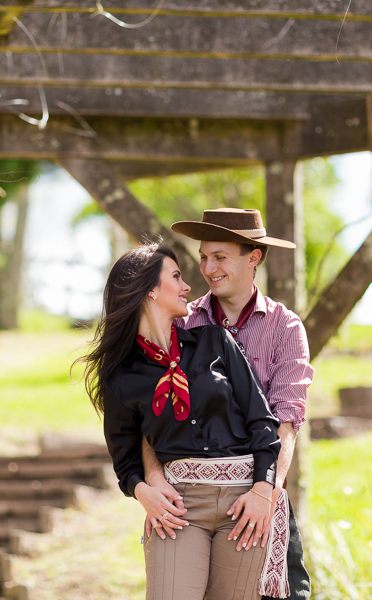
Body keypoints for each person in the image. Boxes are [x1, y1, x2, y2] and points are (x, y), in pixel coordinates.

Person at [79, 242, 282, 600]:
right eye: (176, 276)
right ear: (150, 290)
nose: (188, 285)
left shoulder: (216, 342)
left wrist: (263, 490)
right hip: (178, 510)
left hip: (245, 502)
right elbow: (125, 460)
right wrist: (144, 493)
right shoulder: (121, 376)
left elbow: (262, 422)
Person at [141, 208, 314, 600]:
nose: (208, 267)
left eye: (220, 257)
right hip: (187, 495)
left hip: (253, 490)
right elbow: (149, 417)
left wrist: (264, 493)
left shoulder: (285, 328)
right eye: (203, 257)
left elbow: (285, 423)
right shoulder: (181, 322)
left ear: (253, 256)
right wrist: (153, 480)